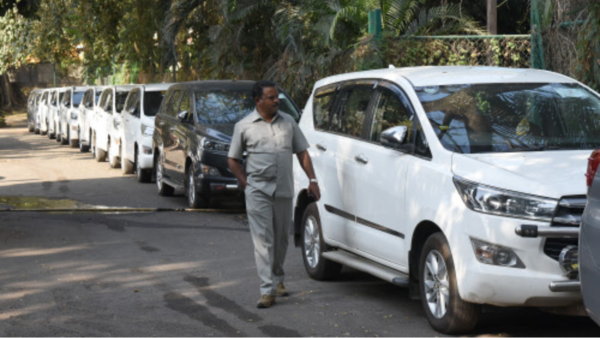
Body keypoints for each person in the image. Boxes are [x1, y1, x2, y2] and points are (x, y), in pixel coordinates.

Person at [228, 80, 320, 309]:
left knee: (280, 238)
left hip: (284, 189)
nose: (276, 100)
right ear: (258, 101)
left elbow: (302, 152)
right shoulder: (244, 126)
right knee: (262, 241)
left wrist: (313, 180)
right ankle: (266, 289)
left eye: (276, 96)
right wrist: (245, 182)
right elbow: (232, 160)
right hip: (257, 190)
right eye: (270, 97)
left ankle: (278, 277)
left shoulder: (288, 122)